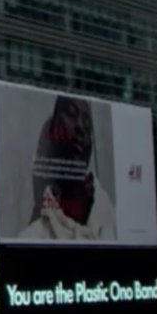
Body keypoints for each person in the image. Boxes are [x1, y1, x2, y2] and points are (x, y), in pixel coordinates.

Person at [17, 96, 117, 242]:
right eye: (70, 113)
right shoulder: (31, 238)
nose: (81, 128)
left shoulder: (111, 220)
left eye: (87, 124)